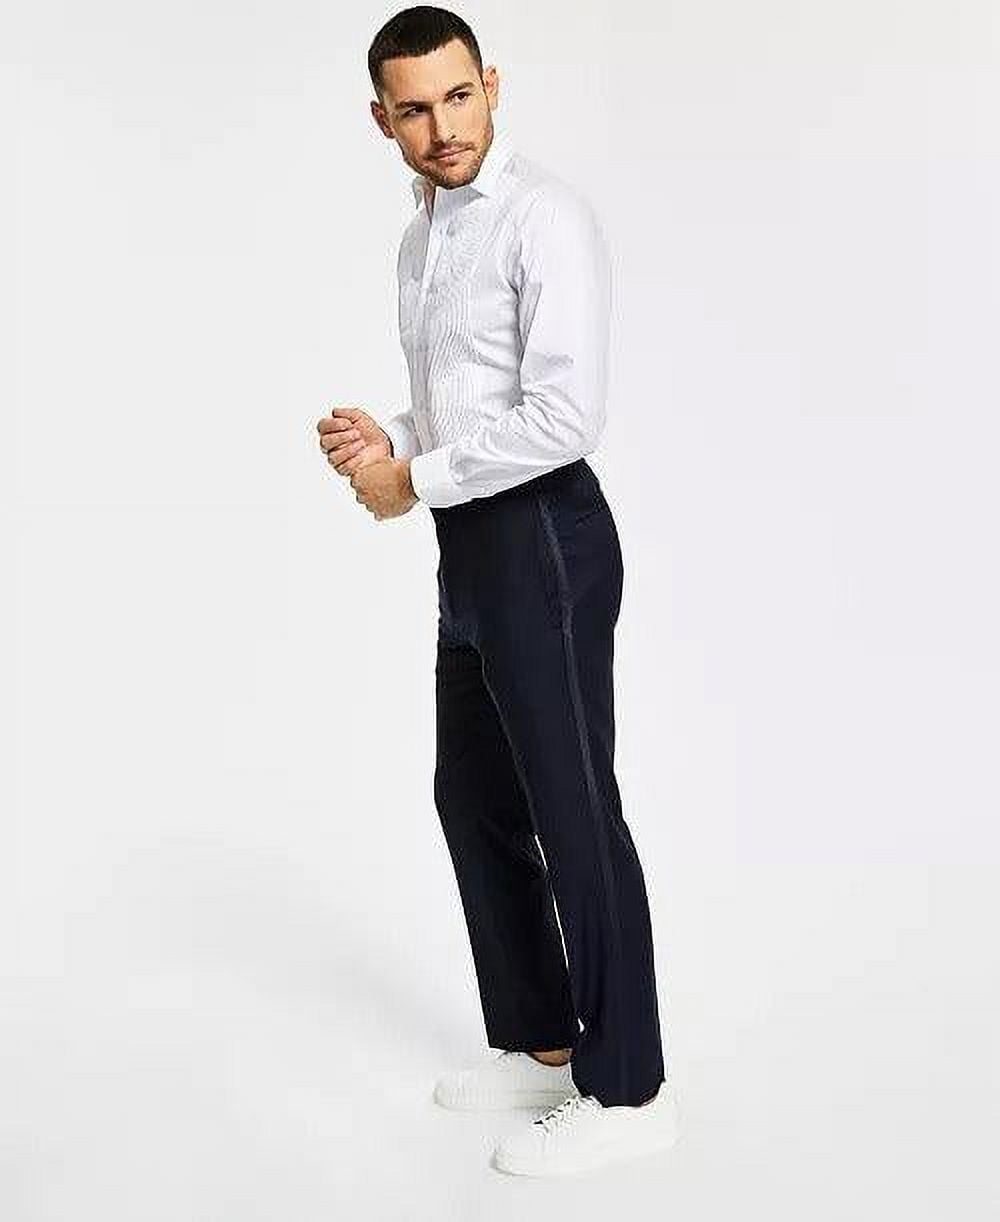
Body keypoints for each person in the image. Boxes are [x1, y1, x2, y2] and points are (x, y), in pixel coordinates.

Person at [315, 6, 679, 1176]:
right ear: (382, 120)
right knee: (472, 793)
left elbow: (564, 416)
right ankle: (545, 1040)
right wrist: (394, 438)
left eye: (457, 96)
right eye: (414, 109)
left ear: (492, 85)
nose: (442, 127)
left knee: (571, 806)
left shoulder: (543, 218)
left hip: (544, 539)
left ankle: (630, 1090)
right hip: (471, 543)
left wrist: (410, 478)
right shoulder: (420, 239)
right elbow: (472, 403)